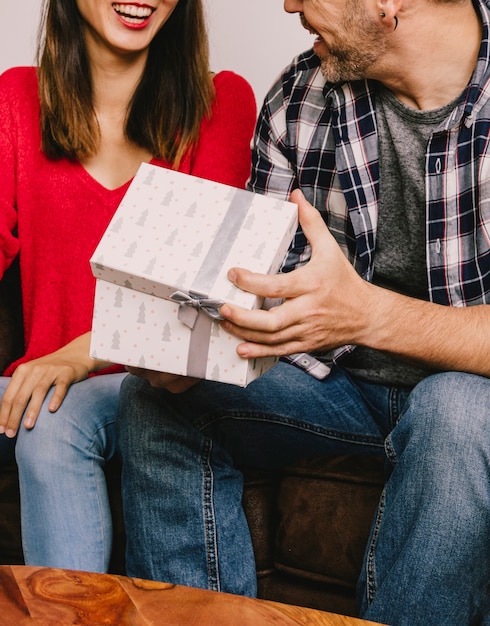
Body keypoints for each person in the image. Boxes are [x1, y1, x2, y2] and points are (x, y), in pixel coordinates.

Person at [116, 0, 490, 623]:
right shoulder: (301, 94)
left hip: (469, 395)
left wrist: (369, 315)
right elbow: (265, 284)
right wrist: (197, 348)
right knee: (156, 400)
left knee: (458, 413)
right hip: (339, 382)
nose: (289, 3)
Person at [0, 0, 256, 572]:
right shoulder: (17, 98)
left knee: (54, 421)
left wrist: (78, 357)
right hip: (43, 382)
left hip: (152, 386)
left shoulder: (222, 101)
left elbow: (201, 285)